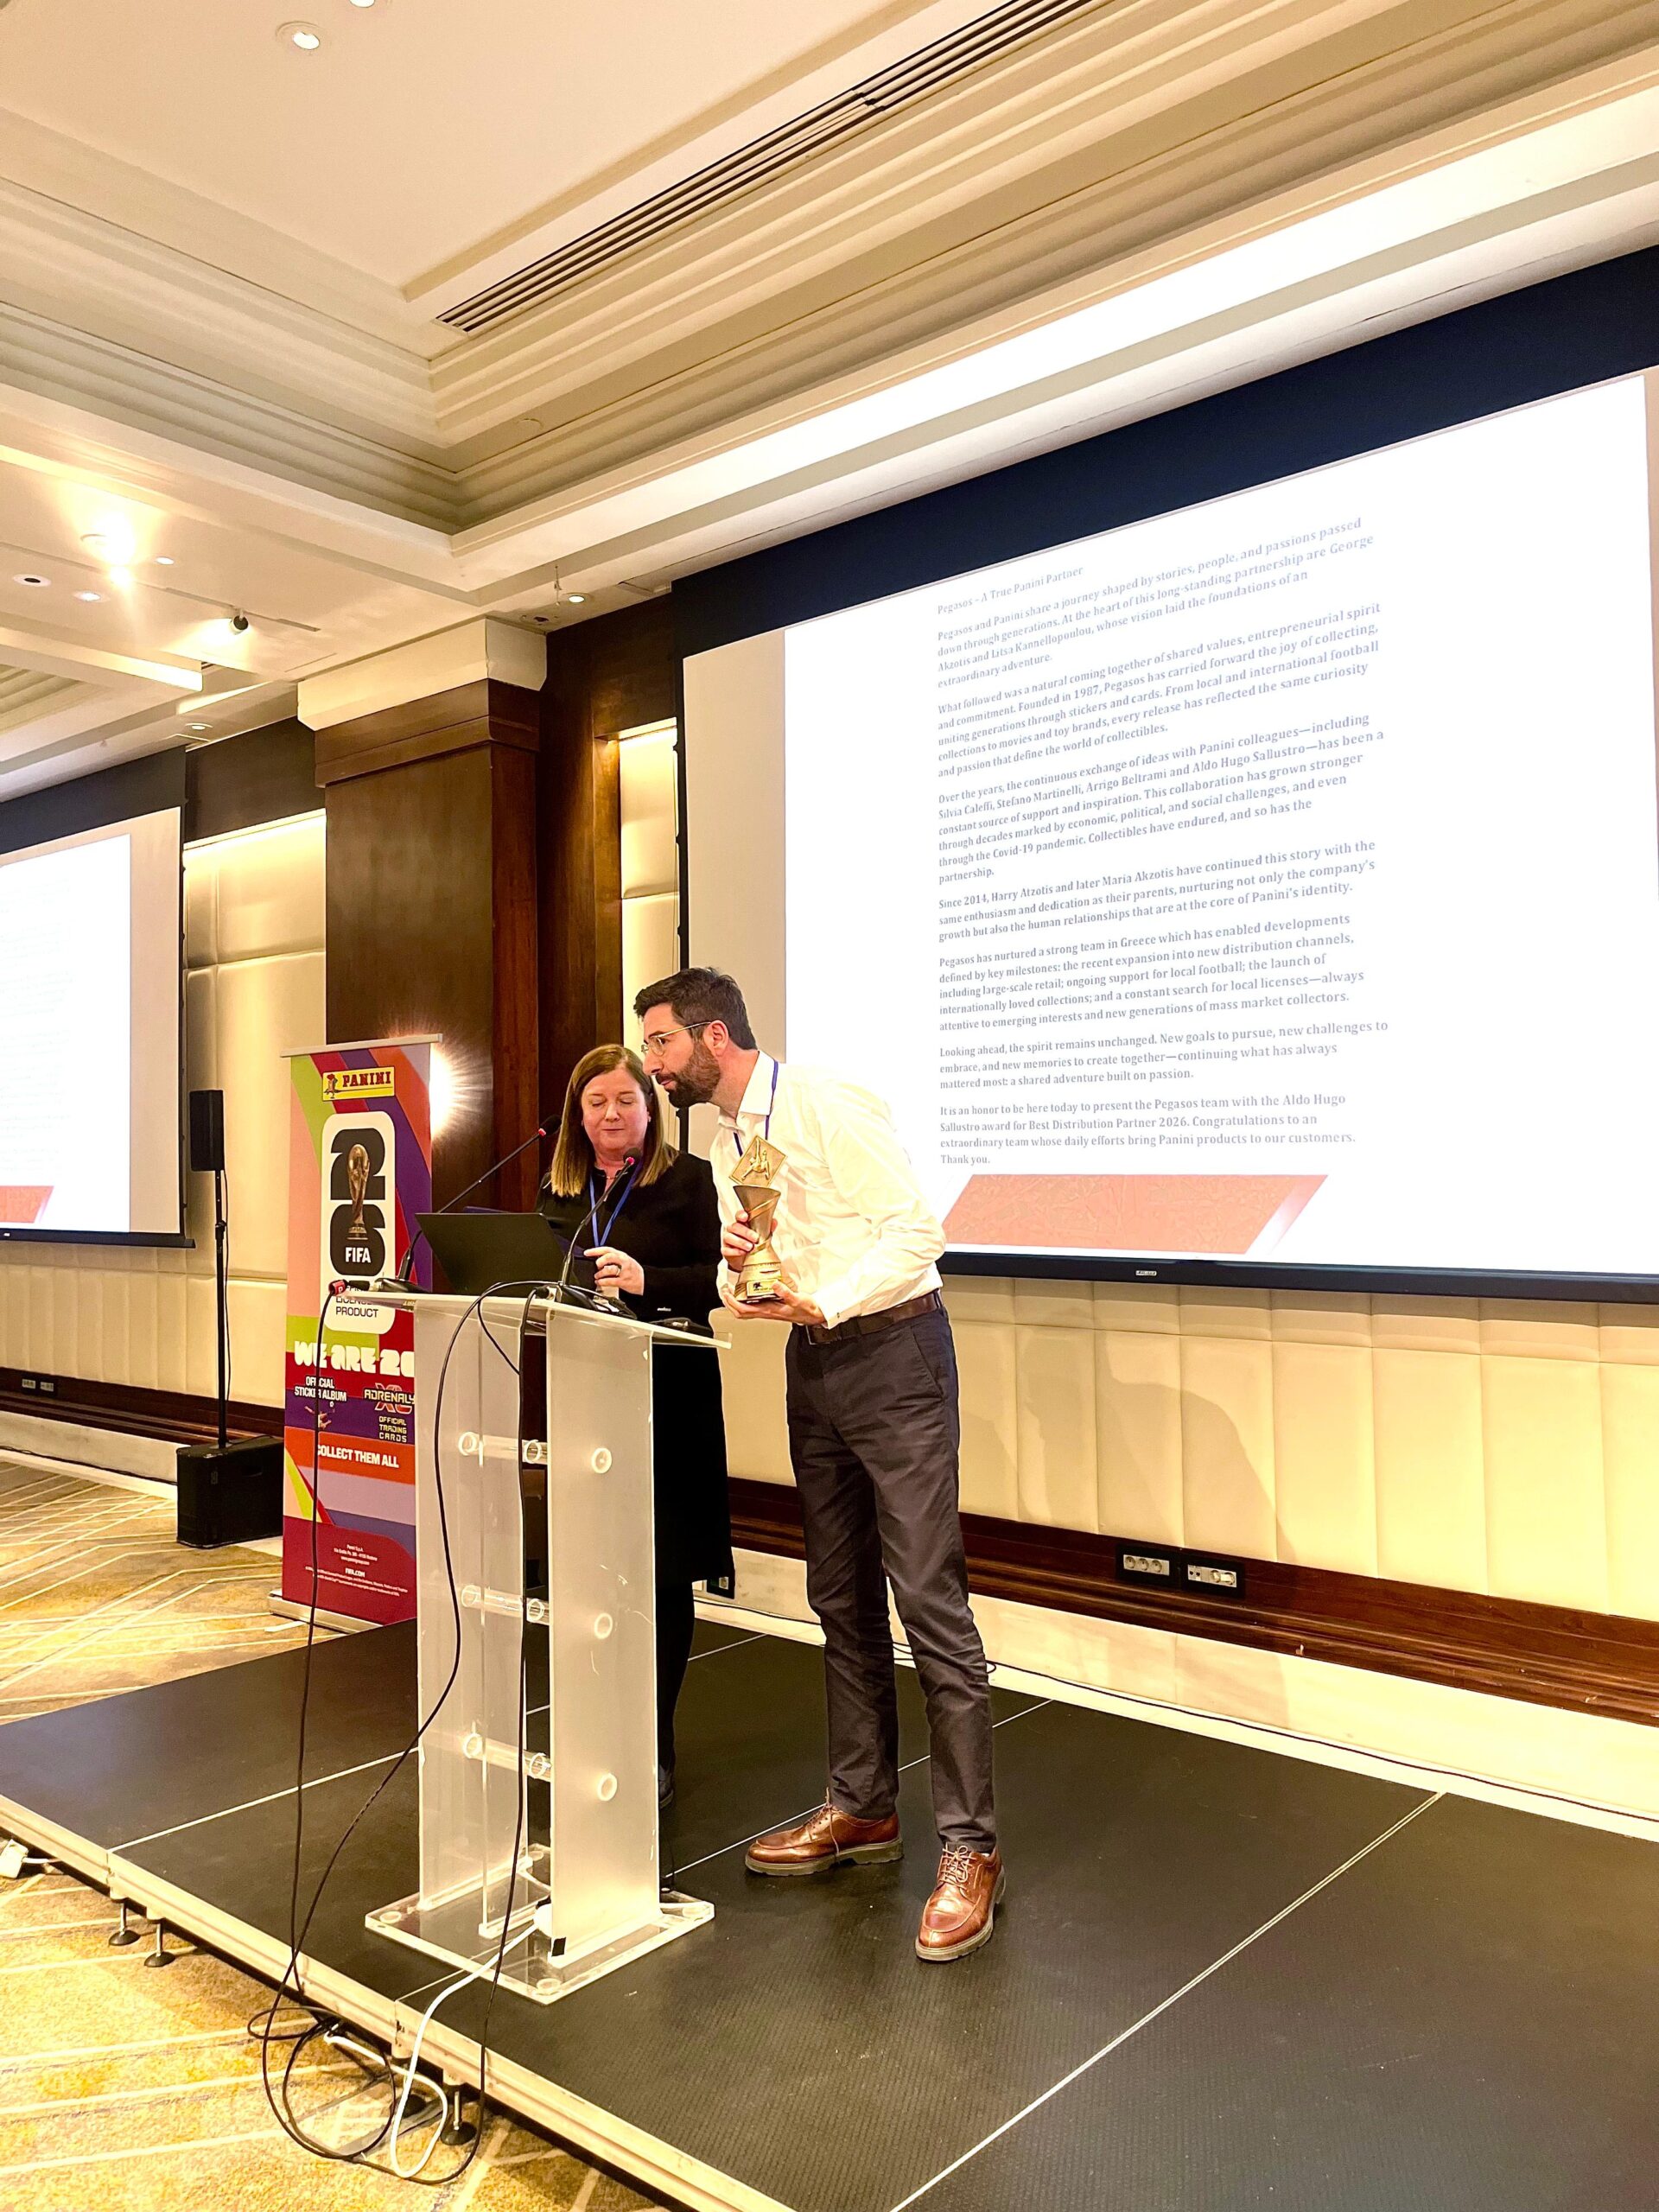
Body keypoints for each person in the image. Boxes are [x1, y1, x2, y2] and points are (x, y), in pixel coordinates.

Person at [636, 968, 1002, 1961]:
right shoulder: (729, 1145)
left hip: (895, 1353)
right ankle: (863, 1803)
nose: (653, 1064)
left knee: (927, 1598)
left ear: (714, 1036)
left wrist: (827, 1299)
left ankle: (970, 1847)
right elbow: (743, 1272)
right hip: (815, 1363)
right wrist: (742, 1273)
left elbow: (918, 1234)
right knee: (839, 1594)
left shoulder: (827, 1102)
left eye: (663, 1042)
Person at [537, 1044, 732, 1808]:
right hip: (584, 1397)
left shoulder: (690, 1181)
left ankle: (656, 1743)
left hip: (669, 1398)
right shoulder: (559, 1191)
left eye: (625, 1100)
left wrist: (648, 1281)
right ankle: (594, 1729)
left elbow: (721, 1281)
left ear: (651, 1110)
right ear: (576, 1115)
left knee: (661, 1570)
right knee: (593, 1569)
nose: (611, 1114)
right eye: (596, 1103)